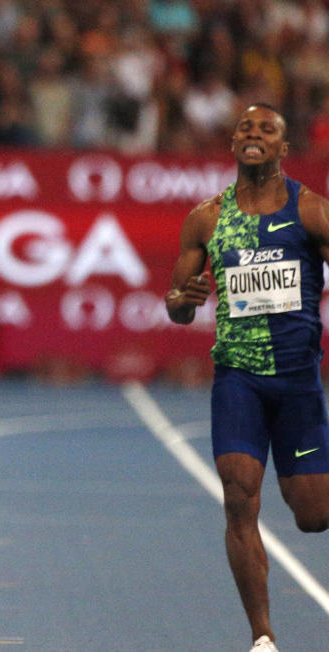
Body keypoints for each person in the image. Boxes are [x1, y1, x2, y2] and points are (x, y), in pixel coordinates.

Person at [166, 103, 329, 652]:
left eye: (267, 130)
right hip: (238, 378)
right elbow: (176, 305)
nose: (253, 135)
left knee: (313, 516)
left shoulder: (309, 211)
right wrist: (183, 300)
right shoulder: (206, 218)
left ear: (284, 148)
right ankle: (262, 636)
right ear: (234, 143)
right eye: (245, 128)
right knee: (240, 497)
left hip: (298, 380)